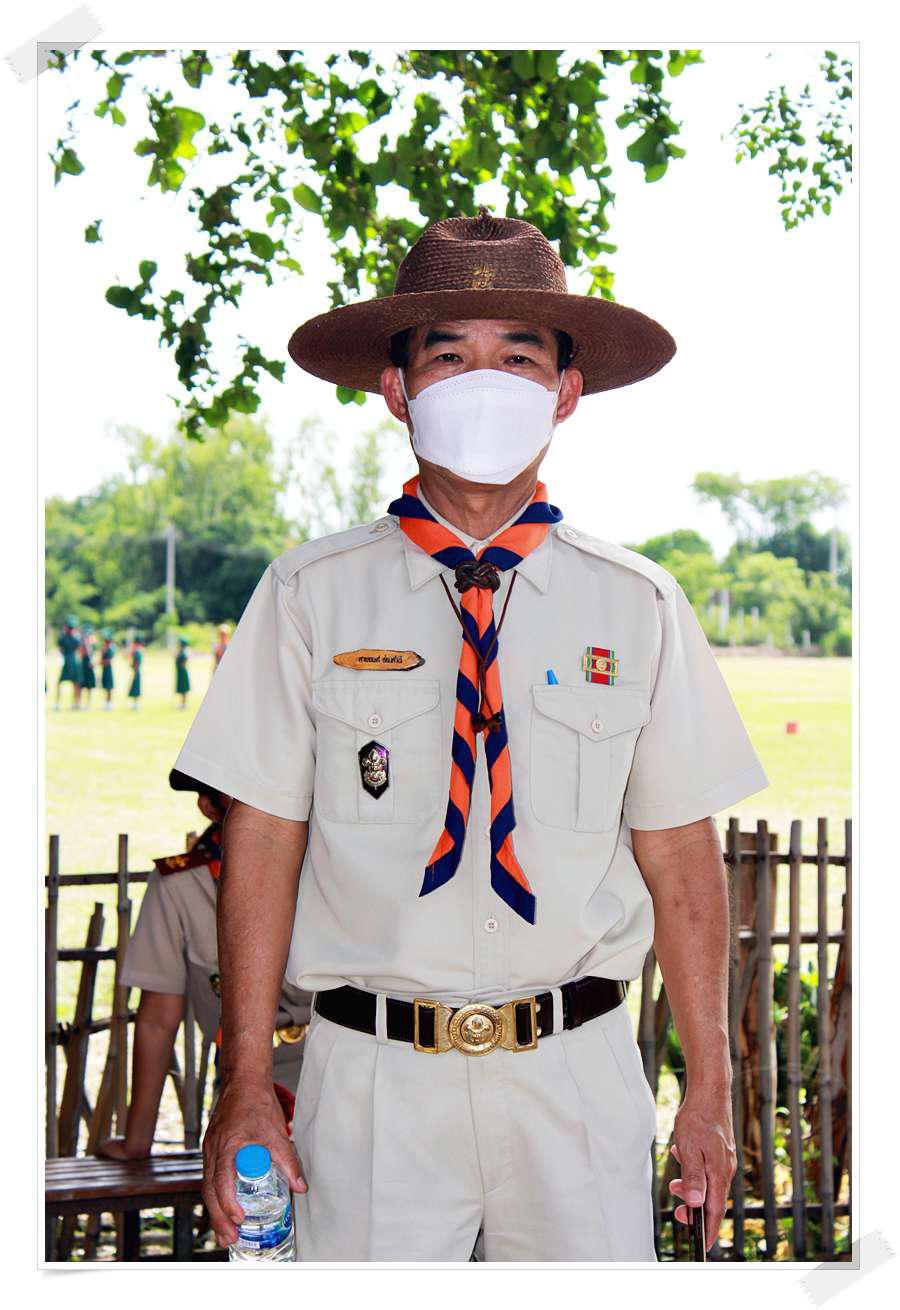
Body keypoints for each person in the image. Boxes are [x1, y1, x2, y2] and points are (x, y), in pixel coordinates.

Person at [176, 210, 769, 1262]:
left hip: (576, 1072)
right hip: (371, 1079)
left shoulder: (637, 603)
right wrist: (245, 1081)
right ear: (397, 390)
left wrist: (711, 1091)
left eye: (518, 357)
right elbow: (262, 837)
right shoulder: (310, 595)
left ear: (566, 392)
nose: (483, 382)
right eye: (449, 356)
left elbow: (681, 852)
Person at [97, 770, 312, 1162]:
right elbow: (157, 1020)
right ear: (209, 807)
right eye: (241, 796)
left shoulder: (327, 872)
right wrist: (136, 1143)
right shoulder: (180, 885)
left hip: (343, 1062)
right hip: (250, 1079)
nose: (264, 806)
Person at [54, 616, 81, 710]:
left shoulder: (76, 638)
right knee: (60, 682)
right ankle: (57, 703)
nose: (70, 629)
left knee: (75, 683)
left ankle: (76, 703)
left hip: (73, 662)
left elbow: (78, 650)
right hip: (65, 661)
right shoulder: (63, 638)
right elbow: (61, 649)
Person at [79, 622, 97, 708]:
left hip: (89, 664)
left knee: (89, 685)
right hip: (83, 663)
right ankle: (79, 702)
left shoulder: (92, 642)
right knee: (81, 684)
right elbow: (81, 653)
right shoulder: (82, 641)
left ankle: (88, 704)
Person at [99, 628, 116, 709]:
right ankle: (106, 703)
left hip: (108, 668)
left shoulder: (110, 648)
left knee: (109, 686)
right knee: (105, 686)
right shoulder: (105, 647)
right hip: (104, 668)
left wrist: (98, 663)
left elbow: (108, 660)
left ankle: (109, 703)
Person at [175, 635, 191, 709]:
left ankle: (184, 704)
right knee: (181, 689)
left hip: (183, 672)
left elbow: (184, 662)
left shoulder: (184, 652)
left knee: (184, 689)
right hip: (180, 672)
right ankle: (182, 703)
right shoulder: (181, 651)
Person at [127, 636, 143, 710]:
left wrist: (135, 671)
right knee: (135, 688)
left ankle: (136, 704)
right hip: (135, 671)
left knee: (136, 688)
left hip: (136, 671)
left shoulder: (137, 651)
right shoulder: (137, 650)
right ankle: (135, 704)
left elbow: (136, 662)